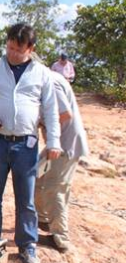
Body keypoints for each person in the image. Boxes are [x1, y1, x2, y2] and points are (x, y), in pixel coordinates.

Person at [0, 23, 62, 263]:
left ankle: (27, 247)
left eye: (18, 50)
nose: (12, 53)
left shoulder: (42, 73)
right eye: (9, 47)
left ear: (30, 49)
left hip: (27, 145)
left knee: (26, 201)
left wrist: (54, 141)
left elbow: (51, 110)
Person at [35, 71, 89, 252]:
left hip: (65, 144)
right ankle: (43, 220)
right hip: (58, 143)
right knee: (36, 177)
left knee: (54, 187)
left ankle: (60, 237)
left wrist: (41, 122)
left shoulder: (50, 80)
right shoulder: (49, 78)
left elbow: (64, 114)